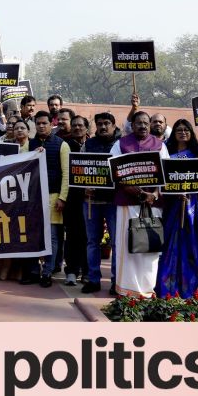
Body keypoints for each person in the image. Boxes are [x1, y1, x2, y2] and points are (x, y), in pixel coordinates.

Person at [109, 110, 168, 298]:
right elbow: (115, 173)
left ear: (150, 125)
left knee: (150, 247)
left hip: (152, 203)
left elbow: (166, 174)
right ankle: (126, 289)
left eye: (145, 123)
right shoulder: (120, 144)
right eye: (138, 123)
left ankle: (147, 290)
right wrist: (139, 193)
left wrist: (154, 194)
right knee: (127, 246)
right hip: (128, 203)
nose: (142, 126)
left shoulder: (160, 145)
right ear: (132, 125)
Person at [159, 120, 198, 298]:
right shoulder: (167, 154)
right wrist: (175, 193)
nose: (183, 132)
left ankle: (190, 287)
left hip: (193, 209)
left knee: (192, 246)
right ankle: (167, 285)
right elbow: (162, 180)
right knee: (170, 245)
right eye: (179, 130)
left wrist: (191, 195)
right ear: (173, 133)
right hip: (172, 207)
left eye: (186, 130)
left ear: (191, 133)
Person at [24, 111, 71, 287]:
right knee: (33, 236)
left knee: (51, 237)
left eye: (45, 123)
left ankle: (47, 272)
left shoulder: (62, 145)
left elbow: (67, 174)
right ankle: (33, 271)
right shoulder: (29, 144)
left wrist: (63, 197)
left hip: (53, 196)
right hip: (33, 198)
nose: (41, 126)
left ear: (52, 124)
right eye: (38, 123)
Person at [81, 111, 122, 294]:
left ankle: (116, 281)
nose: (103, 127)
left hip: (115, 201)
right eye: (100, 124)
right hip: (91, 200)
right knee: (92, 242)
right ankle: (93, 280)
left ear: (114, 125)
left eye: (107, 123)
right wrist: (84, 186)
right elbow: (79, 168)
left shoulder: (121, 144)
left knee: (116, 243)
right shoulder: (88, 144)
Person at [0, 119, 33, 281]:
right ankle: (6, 266)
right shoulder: (7, 148)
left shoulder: (34, 147)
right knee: (7, 232)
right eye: (16, 128)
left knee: (23, 233)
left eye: (22, 128)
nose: (19, 130)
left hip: (28, 197)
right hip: (8, 196)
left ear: (28, 131)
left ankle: (20, 268)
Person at [63, 115, 90, 286]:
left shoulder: (93, 146)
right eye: (74, 125)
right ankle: (71, 271)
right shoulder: (65, 146)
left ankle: (87, 272)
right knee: (72, 236)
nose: (77, 128)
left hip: (90, 200)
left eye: (80, 125)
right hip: (71, 199)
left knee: (88, 237)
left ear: (87, 128)